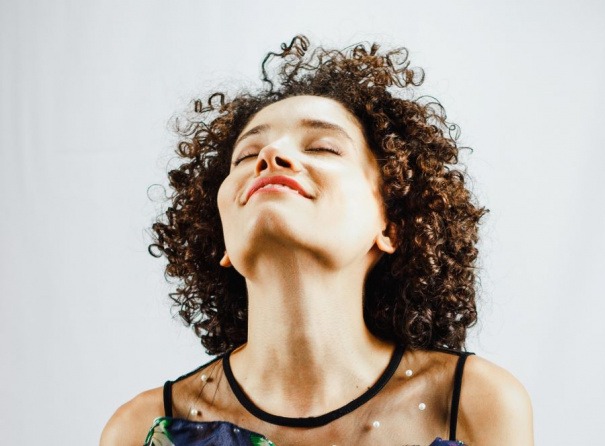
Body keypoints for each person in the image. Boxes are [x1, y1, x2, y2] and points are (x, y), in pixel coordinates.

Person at [101, 35, 533, 446]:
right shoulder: (137, 430)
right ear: (223, 242)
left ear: (392, 224)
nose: (272, 157)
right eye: (248, 155)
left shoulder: (479, 404)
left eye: (324, 147)